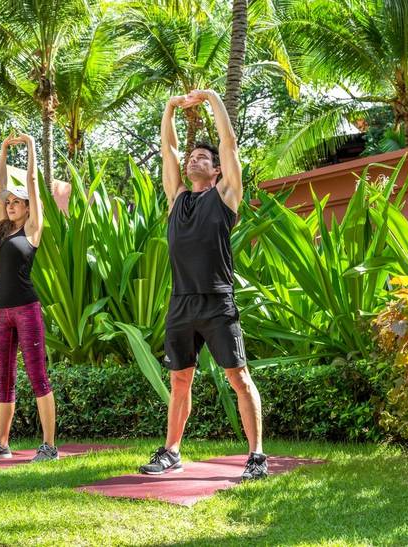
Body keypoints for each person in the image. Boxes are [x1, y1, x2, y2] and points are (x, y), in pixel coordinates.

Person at [139, 89, 268, 481]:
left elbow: (228, 143)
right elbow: (167, 149)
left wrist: (211, 97)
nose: (193, 159)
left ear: (215, 172)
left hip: (217, 302)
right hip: (181, 304)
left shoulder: (226, 196)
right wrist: (169, 108)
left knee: (239, 378)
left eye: (202, 158)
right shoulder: (176, 197)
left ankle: (256, 456)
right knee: (180, 380)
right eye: (191, 156)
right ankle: (172, 451)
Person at [0, 132, 58, 463]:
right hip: (1, 312)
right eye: (8, 202)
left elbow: (34, 183)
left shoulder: (32, 229)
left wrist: (31, 146)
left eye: (16, 202)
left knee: (37, 376)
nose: (10, 205)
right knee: (4, 379)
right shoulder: (2, 229)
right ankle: (2, 444)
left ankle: (49, 446)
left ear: (27, 208)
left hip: (26, 309)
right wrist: (4, 149)